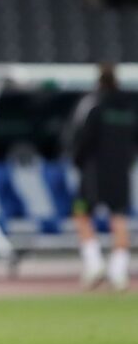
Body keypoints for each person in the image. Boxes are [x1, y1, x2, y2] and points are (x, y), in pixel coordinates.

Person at [69, 64, 134, 291]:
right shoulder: (129, 110)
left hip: (94, 173)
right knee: (119, 218)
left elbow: (84, 140)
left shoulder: (95, 107)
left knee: (80, 212)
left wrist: (77, 162)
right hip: (121, 173)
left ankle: (94, 263)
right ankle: (118, 272)